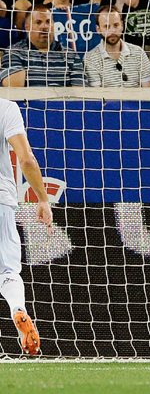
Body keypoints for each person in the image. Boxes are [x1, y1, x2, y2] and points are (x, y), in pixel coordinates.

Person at [0, 98, 53, 355]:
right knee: (7, 272)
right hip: (1, 200)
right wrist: (42, 199)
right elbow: (27, 160)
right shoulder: (6, 108)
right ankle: (18, 308)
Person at [0, 4, 86, 87]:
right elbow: (14, 91)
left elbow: (79, 94)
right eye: (38, 22)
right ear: (27, 27)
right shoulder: (14, 53)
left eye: (48, 22)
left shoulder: (71, 55)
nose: (44, 27)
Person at [85, 5, 150, 87]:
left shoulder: (138, 53)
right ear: (98, 29)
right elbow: (96, 96)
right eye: (106, 26)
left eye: (116, 25)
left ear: (122, 25)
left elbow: (148, 90)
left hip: (137, 99)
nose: (112, 31)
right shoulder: (90, 58)